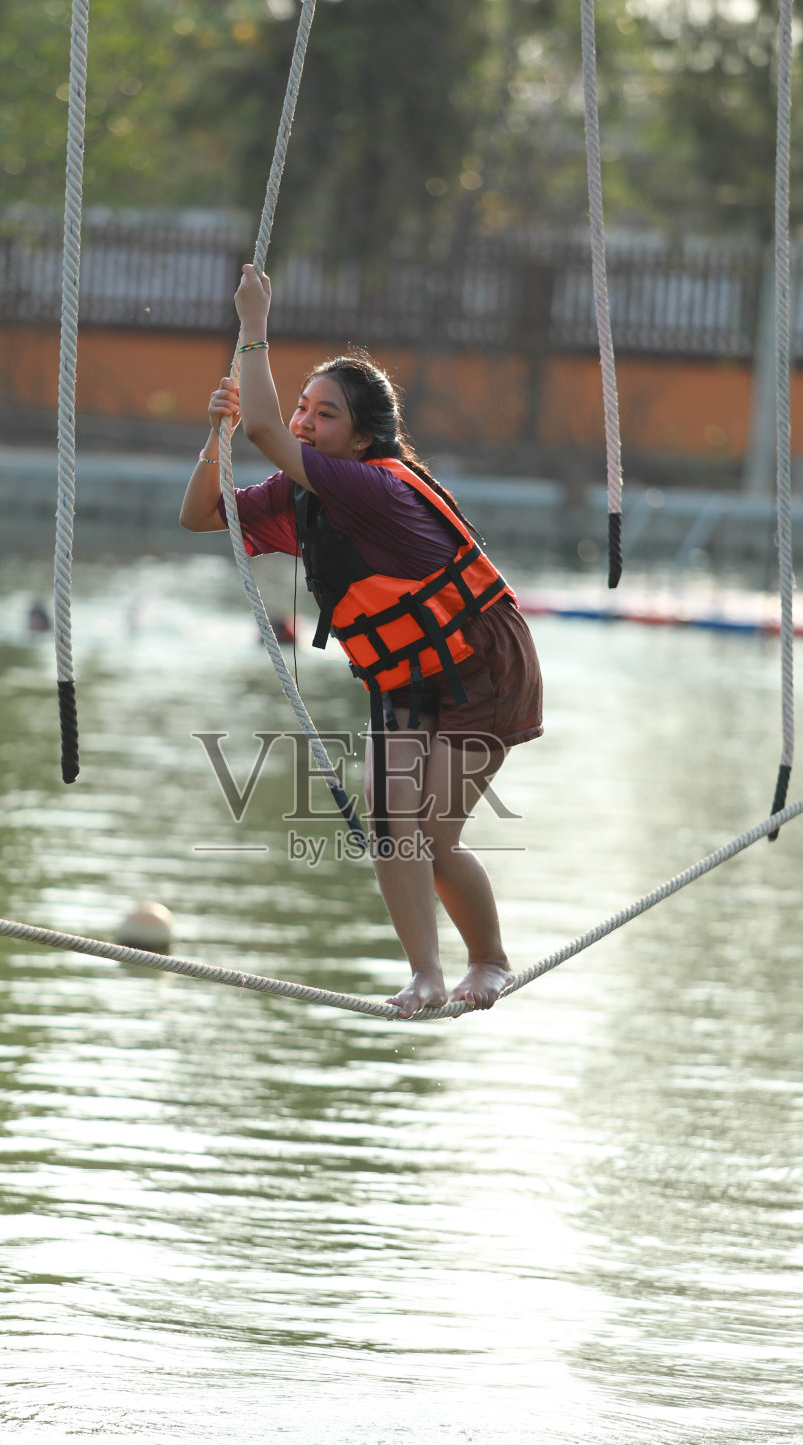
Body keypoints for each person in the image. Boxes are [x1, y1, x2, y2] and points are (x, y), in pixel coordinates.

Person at [180, 264, 543, 1018]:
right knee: (388, 820)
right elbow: (202, 513)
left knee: (433, 838)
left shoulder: (374, 486)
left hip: (482, 666)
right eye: (304, 409)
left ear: (365, 436)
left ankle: (490, 958)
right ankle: (425, 974)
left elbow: (266, 430)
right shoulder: (301, 496)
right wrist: (215, 431)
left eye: (325, 415)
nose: (307, 424)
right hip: (403, 674)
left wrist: (254, 325)